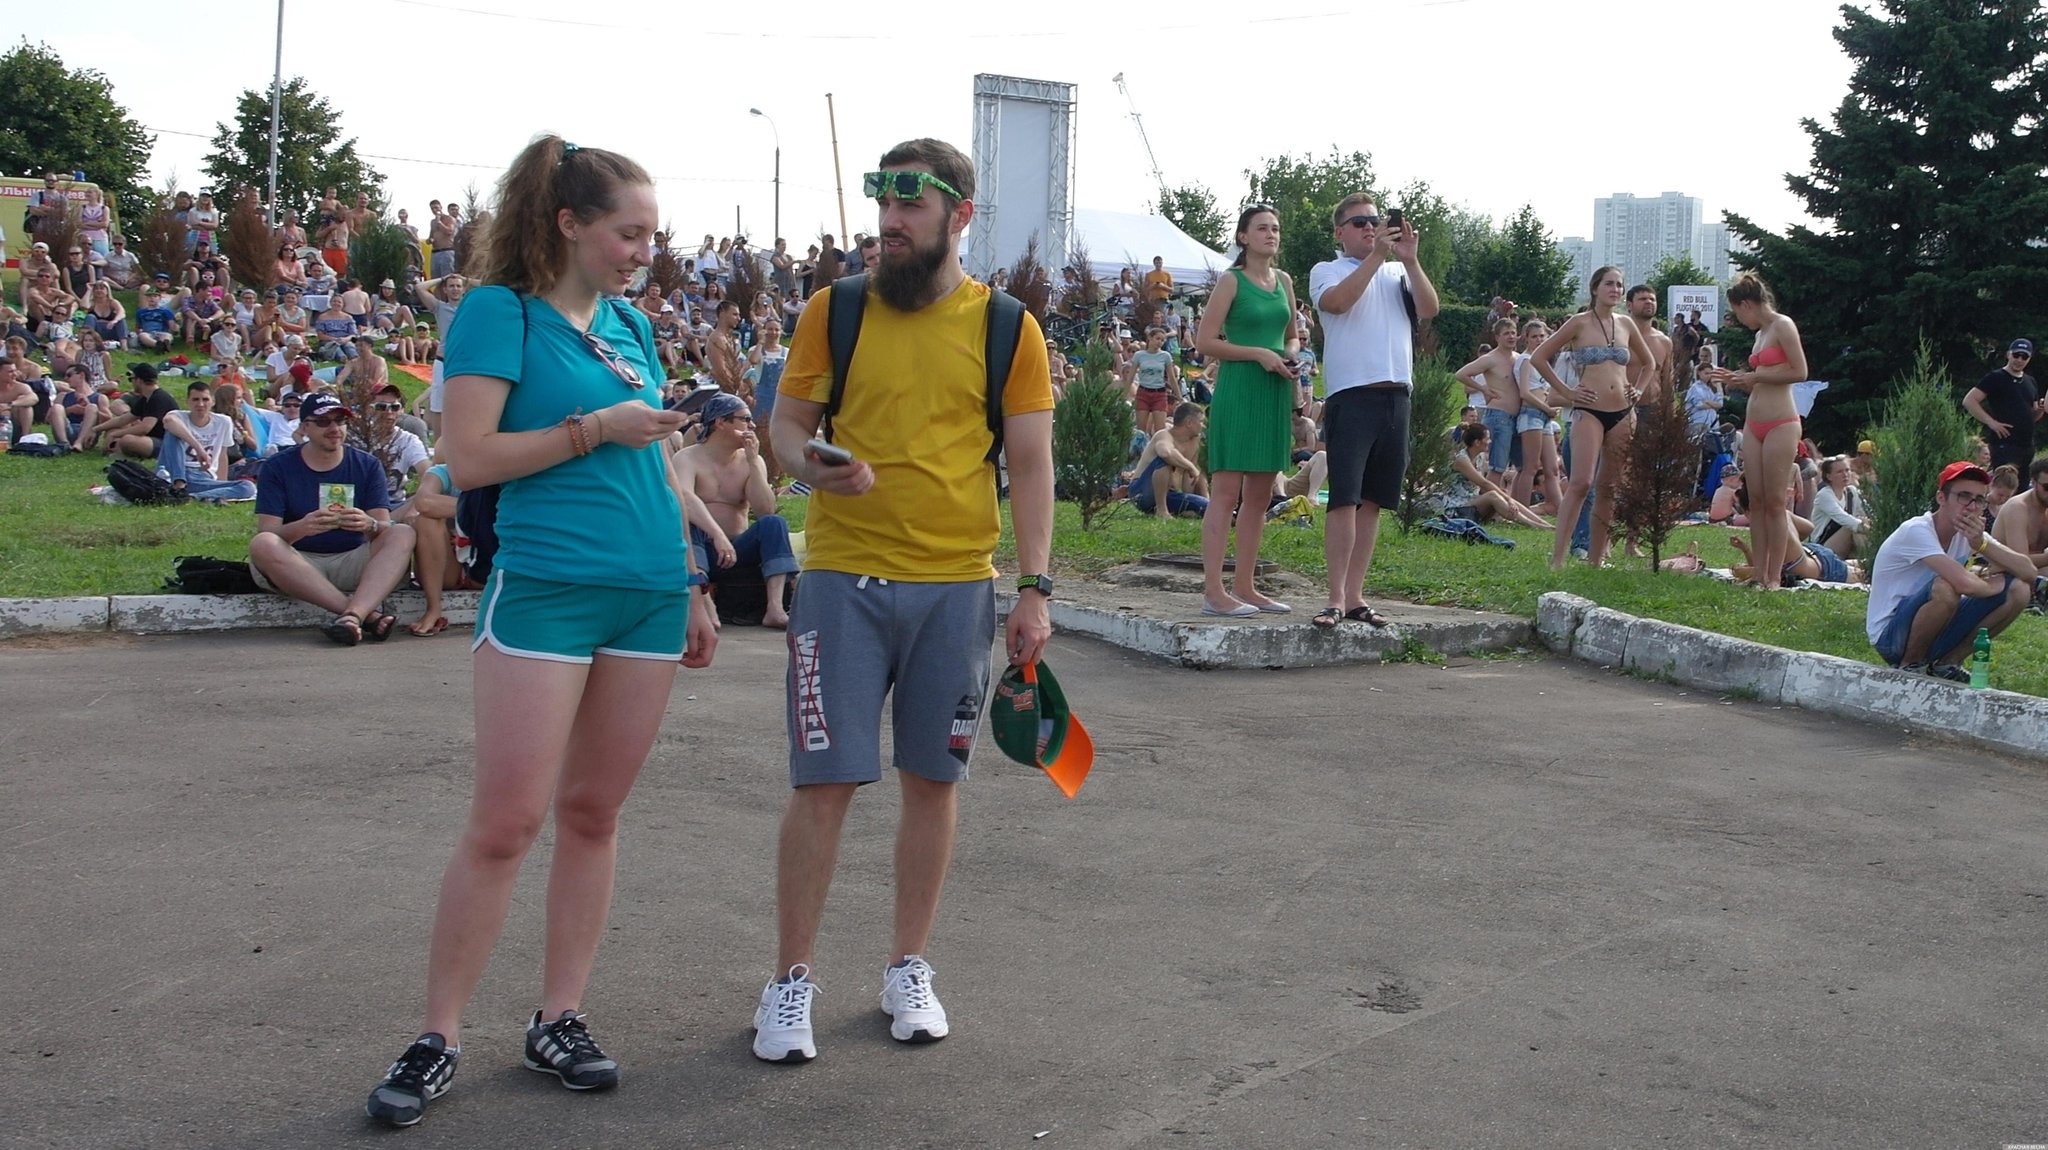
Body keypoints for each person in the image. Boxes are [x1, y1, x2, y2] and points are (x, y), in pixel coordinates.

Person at [362, 136, 714, 1129]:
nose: (643, 249)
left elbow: (660, 459)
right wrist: (594, 429)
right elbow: (465, 458)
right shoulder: (498, 312)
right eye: (626, 232)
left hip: (647, 589)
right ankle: (438, 1033)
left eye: (651, 233)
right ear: (568, 224)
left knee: (594, 815)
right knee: (508, 821)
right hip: (548, 587)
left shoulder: (631, 324)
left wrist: (694, 564)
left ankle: (560, 1016)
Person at [753, 137, 1054, 1066]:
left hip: (958, 588)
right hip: (844, 583)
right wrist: (814, 468)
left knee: (935, 780)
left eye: (909, 203)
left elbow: (1033, 461)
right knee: (826, 782)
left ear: (958, 215)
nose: (888, 220)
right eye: (883, 202)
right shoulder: (832, 311)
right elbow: (785, 430)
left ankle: (906, 968)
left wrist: (1035, 587)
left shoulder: (1007, 326)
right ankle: (790, 983)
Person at [1310, 194, 1440, 626]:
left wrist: (1410, 260)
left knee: (1373, 501)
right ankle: (1333, 597)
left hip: (1395, 396)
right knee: (1343, 498)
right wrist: (1379, 256)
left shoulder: (1395, 273)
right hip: (1353, 395)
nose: (1370, 227)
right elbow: (1338, 303)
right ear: (1340, 232)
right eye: (1360, 222)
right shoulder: (1326, 271)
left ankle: (1355, 596)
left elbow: (1428, 310)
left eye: (1375, 220)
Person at [1195, 205, 1299, 618]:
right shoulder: (1230, 281)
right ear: (1243, 237)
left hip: (1274, 388)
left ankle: (1246, 585)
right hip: (1240, 388)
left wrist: (1289, 356)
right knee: (1225, 492)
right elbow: (1205, 341)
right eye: (1262, 228)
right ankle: (1213, 590)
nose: (1271, 234)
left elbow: (1291, 335)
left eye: (1275, 228)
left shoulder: (1285, 282)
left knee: (1259, 493)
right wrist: (1257, 353)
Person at [248, 393, 414, 638]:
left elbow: (383, 526)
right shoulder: (278, 466)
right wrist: (302, 527)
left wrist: (368, 524)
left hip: (353, 561)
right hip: (298, 563)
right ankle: (363, 615)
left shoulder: (366, 464)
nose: (334, 428)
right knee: (262, 544)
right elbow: (268, 531)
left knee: (403, 532)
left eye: (340, 421)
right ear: (304, 427)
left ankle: (353, 615)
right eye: (324, 422)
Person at [1525, 266, 1657, 571]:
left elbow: (1649, 362)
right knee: (1581, 482)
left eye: (1620, 285)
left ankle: (1597, 559)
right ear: (1595, 288)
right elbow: (1539, 357)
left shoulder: (1625, 324)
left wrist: (1637, 390)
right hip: (1589, 409)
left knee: (1610, 486)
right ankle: (1557, 559)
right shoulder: (1579, 323)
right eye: (1609, 284)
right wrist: (1568, 392)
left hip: (1623, 411)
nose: (1615, 290)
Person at [1865, 461, 2033, 677]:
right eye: (1963, 496)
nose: (1971, 506)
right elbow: (1963, 583)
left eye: (1979, 500)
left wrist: (1981, 544)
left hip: (1937, 629)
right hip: (1891, 637)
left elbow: (2028, 571)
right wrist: (1993, 586)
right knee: (1946, 586)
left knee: (2019, 590)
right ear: (1941, 498)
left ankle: (1948, 664)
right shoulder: (1915, 530)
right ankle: (1910, 665)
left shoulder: (1969, 533)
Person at [1705, 272, 1808, 589]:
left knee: (1776, 503)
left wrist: (1755, 378)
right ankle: (1760, 572)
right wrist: (1740, 379)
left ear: (1746, 304)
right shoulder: (1761, 333)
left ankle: (1774, 576)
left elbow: (1799, 371)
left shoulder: (1782, 325)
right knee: (1757, 502)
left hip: (1781, 421)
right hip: (1755, 422)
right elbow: (1763, 375)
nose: (1739, 320)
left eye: (1738, 313)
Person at [674, 393, 797, 629]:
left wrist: (753, 463)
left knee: (774, 523)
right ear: (721, 422)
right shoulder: (687, 458)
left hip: (737, 549)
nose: (751, 425)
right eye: (745, 419)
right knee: (688, 522)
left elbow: (765, 510)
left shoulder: (750, 460)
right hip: (698, 550)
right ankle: (706, 604)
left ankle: (775, 608)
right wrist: (717, 535)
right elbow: (685, 499)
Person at [1418, 424, 1554, 530]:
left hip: (1470, 501)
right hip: (1456, 505)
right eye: (1487, 438)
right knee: (1494, 495)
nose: (1489, 441)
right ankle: (1535, 525)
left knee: (1501, 496)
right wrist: (1507, 498)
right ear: (1477, 442)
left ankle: (1542, 522)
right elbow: (1484, 483)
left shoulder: (1479, 457)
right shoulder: (1461, 460)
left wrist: (1507, 498)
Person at [155, 380, 257, 501]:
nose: (201, 404)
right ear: (187, 402)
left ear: (212, 401)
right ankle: (179, 485)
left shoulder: (223, 421)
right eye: (195, 400)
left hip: (202, 476)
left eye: (205, 399)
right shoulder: (178, 416)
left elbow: (222, 455)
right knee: (173, 433)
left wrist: (221, 482)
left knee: (247, 487)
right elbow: (168, 422)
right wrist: (199, 449)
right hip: (175, 471)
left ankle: (190, 497)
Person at [1455, 317, 1523, 487]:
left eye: (1513, 333)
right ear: (1497, 337)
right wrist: (1483, 388)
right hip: (1499, 416)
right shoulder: (1490, 359)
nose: (1511, 336)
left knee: (1524, 467)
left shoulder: (1519, 358)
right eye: (1506, 333)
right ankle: (1488, 511)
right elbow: (1461, 374)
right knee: (1497, 467)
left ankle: (1513, 505)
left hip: (1518, 417)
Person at [1963, 339, 2042, 473]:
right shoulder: (1996, 377)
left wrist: (2040, 410)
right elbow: (1969, 400)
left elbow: (2032, 415)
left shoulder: (2030, 381)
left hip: (2026, 445)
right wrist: (1991, 422)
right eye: (2016, 355)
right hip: (2004, 444)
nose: (2019, 360)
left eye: (2024, 357)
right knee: (2004, 485)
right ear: (2008, 355)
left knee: (2023, 488)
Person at [1510, 318, 1564, 513]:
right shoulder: (1525, 360)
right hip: (1531, 414)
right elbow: (1525, 392)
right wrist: (1546, 407)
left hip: (1545, 416)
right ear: (1526, 338)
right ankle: (1522, 510)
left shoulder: (1544, 361)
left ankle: (1560, 508)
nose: (1539, 340)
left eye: (1542, 336)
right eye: (1534, 337)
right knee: (1530, 467)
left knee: (1552, 467)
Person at [1128, 402, 1210, 519]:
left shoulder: (1195, 442)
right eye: (1201, 421)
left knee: (1205, 506)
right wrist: (1190, 466)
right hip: (1141, 492)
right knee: (1164, 461)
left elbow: (1191, 477)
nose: (1203, 426)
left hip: (1169, 494)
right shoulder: (1164, 435)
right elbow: (1165, 452)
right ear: (1189, 423)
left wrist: (1198, 501)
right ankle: (1162, 510)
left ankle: (1182, 510)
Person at [1990, 454, 2048, 582]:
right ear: (2033, 482)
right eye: (2047, 487)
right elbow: (2020, 563)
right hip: (2006, 578)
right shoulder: (2017, 508)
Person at [1122, 324, 1182, 438]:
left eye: (1163, 340)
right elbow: (1130, 377)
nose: (1160, 342)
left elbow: (1172, 378)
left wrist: (1179, 397)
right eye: (1158, 339)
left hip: (1159, 393)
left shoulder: (1165, 356)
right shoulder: (1139, 355)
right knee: (1141, 431)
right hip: (1143, 392)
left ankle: (1157, 452)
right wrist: (1124, 395)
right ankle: (1140, 452)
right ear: (1150, 338)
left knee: (1160, 430)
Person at [1809, 454, 1870, 559]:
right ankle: (1871, 558)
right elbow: (1842, 518)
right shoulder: (1824, 495)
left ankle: (1867, 559)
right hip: (1822, 547)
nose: (1845, 474)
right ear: (1829, 476)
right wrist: (1865, 527)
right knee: (1851, 527)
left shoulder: (1852, 492)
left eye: (1847, 470)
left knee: (1860, 523)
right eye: (1840, 472)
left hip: (1843, 542)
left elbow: (1866, 511)